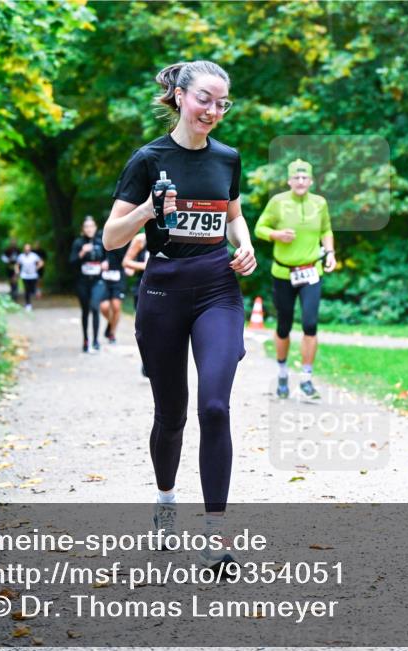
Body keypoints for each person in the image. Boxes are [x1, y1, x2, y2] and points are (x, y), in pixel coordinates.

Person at [103, 60, 256, 573]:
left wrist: (247, 245)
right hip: (164, 291)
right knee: (172, 417)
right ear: (179, 96)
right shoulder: (148, 159)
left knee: (215, 406)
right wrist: (147, 210)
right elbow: (111, 238)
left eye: (222, 103)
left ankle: (216, 534)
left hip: (217, 287)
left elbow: (233, 217)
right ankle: (166, 501)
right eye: (205, 99)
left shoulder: (228, 158)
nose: (213, 111)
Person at [254, 159, 336, 400]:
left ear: (311, 181)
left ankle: (307, 379)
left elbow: (326, 230)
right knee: (284, 326)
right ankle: (282, 374)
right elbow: (259, 228)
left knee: (310, 324)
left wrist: (330, 252)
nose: (300, 182)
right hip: (283, 272)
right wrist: (276, 234)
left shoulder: (319, 203)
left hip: (311, 272)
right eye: (296, 178)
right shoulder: (277, 202)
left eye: (305, 178)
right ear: (289, 181)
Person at [69, 216, 107, 353]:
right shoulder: (78, 243)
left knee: (95, 307)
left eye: (91, 226)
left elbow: (108, 257)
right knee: (85, 310)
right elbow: (72, 262)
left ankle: (96, 340)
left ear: (95, 228)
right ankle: (86, 340)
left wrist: (106, 263)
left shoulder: (100, 242)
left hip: (97, 281)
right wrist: (82, 252)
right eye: (86, 227)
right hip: (82, 282)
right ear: (83, 229)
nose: (89, 229)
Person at [122, 232, 150, 375]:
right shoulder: (141, 239)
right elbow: (126, 262)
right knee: (145, 329)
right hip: (143, 288)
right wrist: (147, 265)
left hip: (168, 287)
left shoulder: (173, 234)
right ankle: (146, 361)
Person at [99, 241, 130, 344]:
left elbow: (129, 255)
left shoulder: (125, 239)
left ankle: (112, 333)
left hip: (118, 276)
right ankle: (111, 322)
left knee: (116, 306)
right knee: (104, 307)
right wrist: (102, 261)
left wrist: (129, 266)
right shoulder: (102, 238)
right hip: (104, 278)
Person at [15, 243, 44, 311]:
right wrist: (17, 271)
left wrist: (37, 267)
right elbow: (17, 265)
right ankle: (28, 304)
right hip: (24, 275)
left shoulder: (34, 256)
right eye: (26, 249)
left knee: (32, 289)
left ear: (30, 249)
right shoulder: (21, 256)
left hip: (33, 275)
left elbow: (41, 262)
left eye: (28, 249)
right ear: (24, 249)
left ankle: (36, 291)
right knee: (27, 290)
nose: (27, 250)